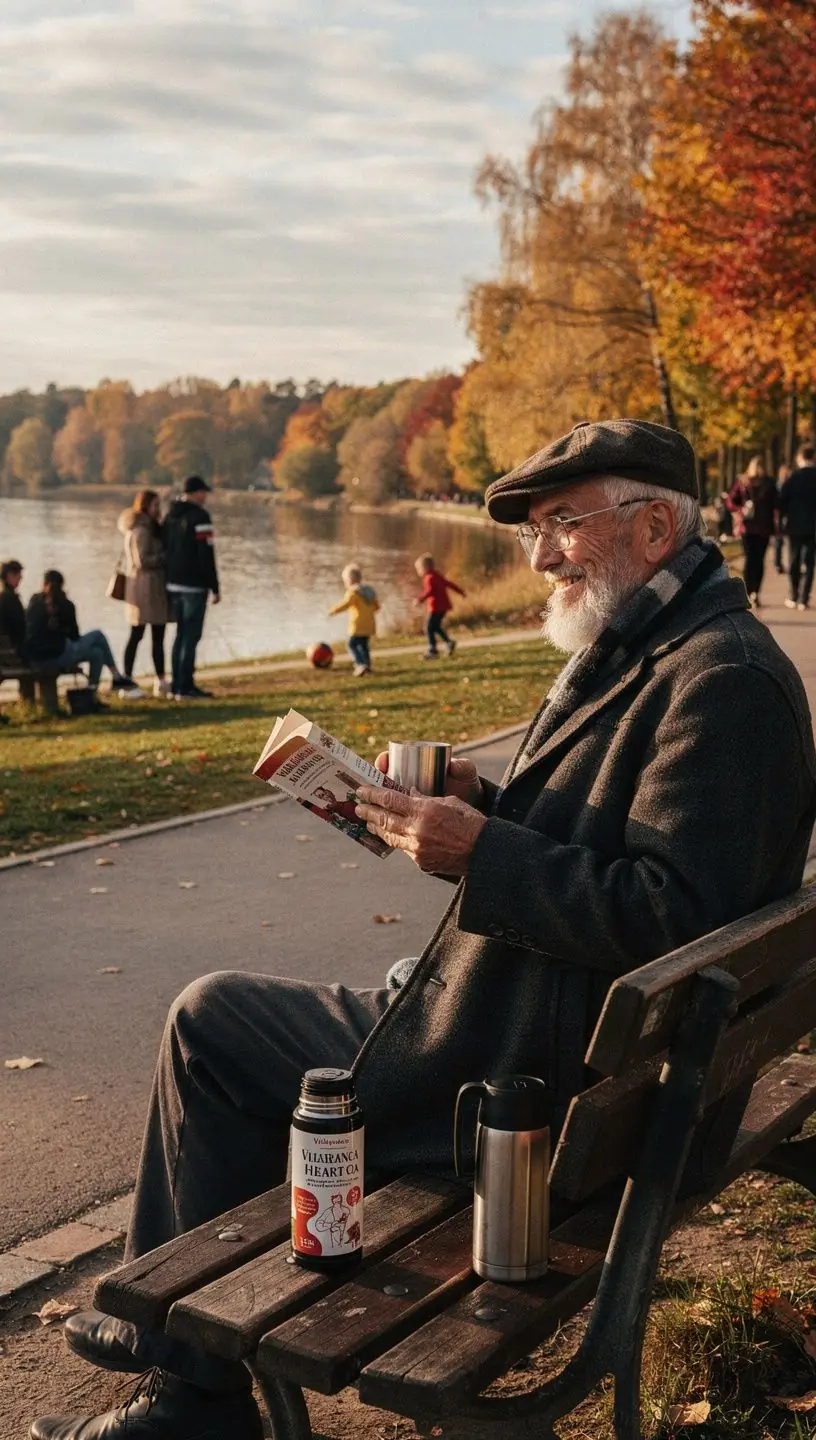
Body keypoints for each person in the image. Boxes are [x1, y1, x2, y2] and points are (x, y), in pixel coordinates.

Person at [36, 420, 816, 1440]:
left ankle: (193, 1393)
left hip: (524, 1092)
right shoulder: (666, 643)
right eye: (534, 533)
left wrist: (477, 852)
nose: (538, 559)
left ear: (655, 527)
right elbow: (634, 856)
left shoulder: (720, 680)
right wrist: (480, 799)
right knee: (272, 1013)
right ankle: (177, 1346)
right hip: (558, 1053)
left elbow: (670, 915)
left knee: (208, 1022)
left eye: (560, 526)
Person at [25, 570, 141, 711]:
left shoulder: (34, 602)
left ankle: (91, 694)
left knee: (97, 653)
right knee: (98, 635)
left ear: (43, 584)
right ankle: (116, 675)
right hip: (60, 654)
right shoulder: (66, 604)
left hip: (39, 658)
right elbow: (75, 636)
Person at [164, 476, 220, 700]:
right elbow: (205, 554)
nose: (205, 497)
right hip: (194, 585)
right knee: (190, 636)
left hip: (173, 583)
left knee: (179, 635)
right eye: (203, 492)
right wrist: (214, 586)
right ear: (196, 493)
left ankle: (177, 685)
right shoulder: (200, 516)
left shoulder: (170, 515)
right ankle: (186, 687)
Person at [118, 489, 172, 697]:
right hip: (144, 589)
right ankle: (127, 681)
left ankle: (160, 680)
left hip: (151, 588)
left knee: (157, 636)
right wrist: (165, 557)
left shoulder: (150, 528)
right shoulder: (141, 530)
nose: (159, 510)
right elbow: (142, 560)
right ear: (145, 507)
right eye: (155, 506)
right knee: (137, 635)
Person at [725, 454, 777, 606]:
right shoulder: (747, 482)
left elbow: (775, 502)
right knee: (752, 559)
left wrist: (739, 509)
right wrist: (740, 509)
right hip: (753, 527)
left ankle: (753, 592)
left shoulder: (766, 483)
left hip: (758, 527)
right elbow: (731, 501)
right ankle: (751, 591)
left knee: (756, 560)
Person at [779, 444, 816, 610]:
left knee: (794, 560)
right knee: (809, 562)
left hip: (794, 525)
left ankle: (793, 594)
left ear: (800, 457)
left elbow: (782, 501)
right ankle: (804, 598)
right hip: (813, 526)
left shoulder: (793, 477)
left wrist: (783, 518)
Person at [328, 562, 379, 676]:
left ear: (350, 580)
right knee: (364, 646)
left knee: (351, 645)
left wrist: (333, 610)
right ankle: (367, 665)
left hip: (357, 625)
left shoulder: (353, 592)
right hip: (369, 625)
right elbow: (377, 607)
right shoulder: (369, 591)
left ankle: (360, 664)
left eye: (345, 581)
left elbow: (346, 604)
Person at [414, 552, 465, 658]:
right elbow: (449, 584)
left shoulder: (429, 577)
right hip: (443, 606)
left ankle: (433, 650)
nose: (418, 571)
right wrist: (461, 592)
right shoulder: (436, 575)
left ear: (425, 567)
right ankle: (449, 642)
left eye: (419, 568)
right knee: (435, 626)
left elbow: (430, 591)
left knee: (428, 627)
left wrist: (420, 600)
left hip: (436, 607)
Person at [774, 464, 791, 574]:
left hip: (785, 516)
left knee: (784, 541)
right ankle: (778, 563)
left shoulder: (784, 486)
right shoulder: (779, 486)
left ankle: (781, 563)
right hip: (780, 517)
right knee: (779, 541)